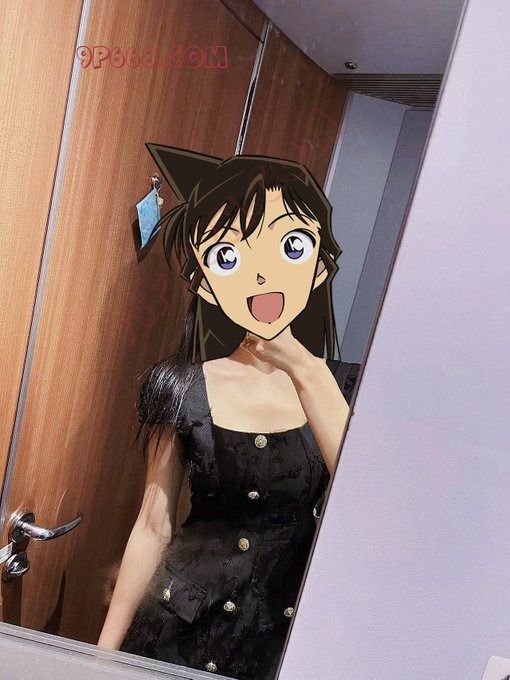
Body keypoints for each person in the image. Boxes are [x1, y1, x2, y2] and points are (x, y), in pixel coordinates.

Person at [98, 146, 360, 679]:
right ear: (205, 281)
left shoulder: (348, 388)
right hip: (176, 628)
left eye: (288, 246)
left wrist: (302, 365)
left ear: (320, 265)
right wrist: (100, 657)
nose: (262, 276)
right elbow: (152, 525)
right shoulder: (179, 386)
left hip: (277, 637)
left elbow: (365, 500)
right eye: (230, 256)